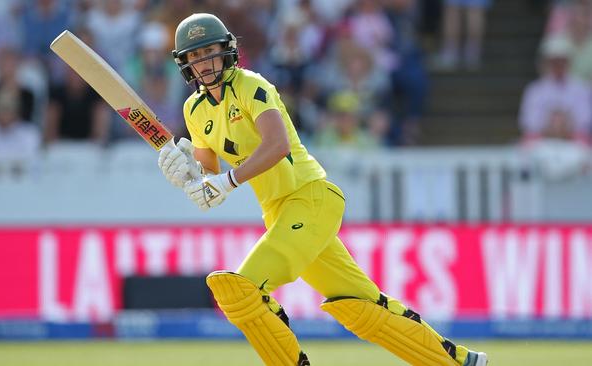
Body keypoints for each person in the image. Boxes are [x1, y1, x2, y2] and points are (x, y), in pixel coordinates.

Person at [157, 13, 487, 366]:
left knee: (239, 289)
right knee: (362, 307)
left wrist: (227, 181)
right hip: (282, 215)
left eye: (209, 52)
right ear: (185, 63)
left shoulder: (252, 86)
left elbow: (277, 145)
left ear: (226, 51)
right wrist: (190, 173)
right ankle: (460, 362)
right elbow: (211, 177)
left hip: (311, 198)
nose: (204, 63)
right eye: (194, 56)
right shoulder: (193, 110)